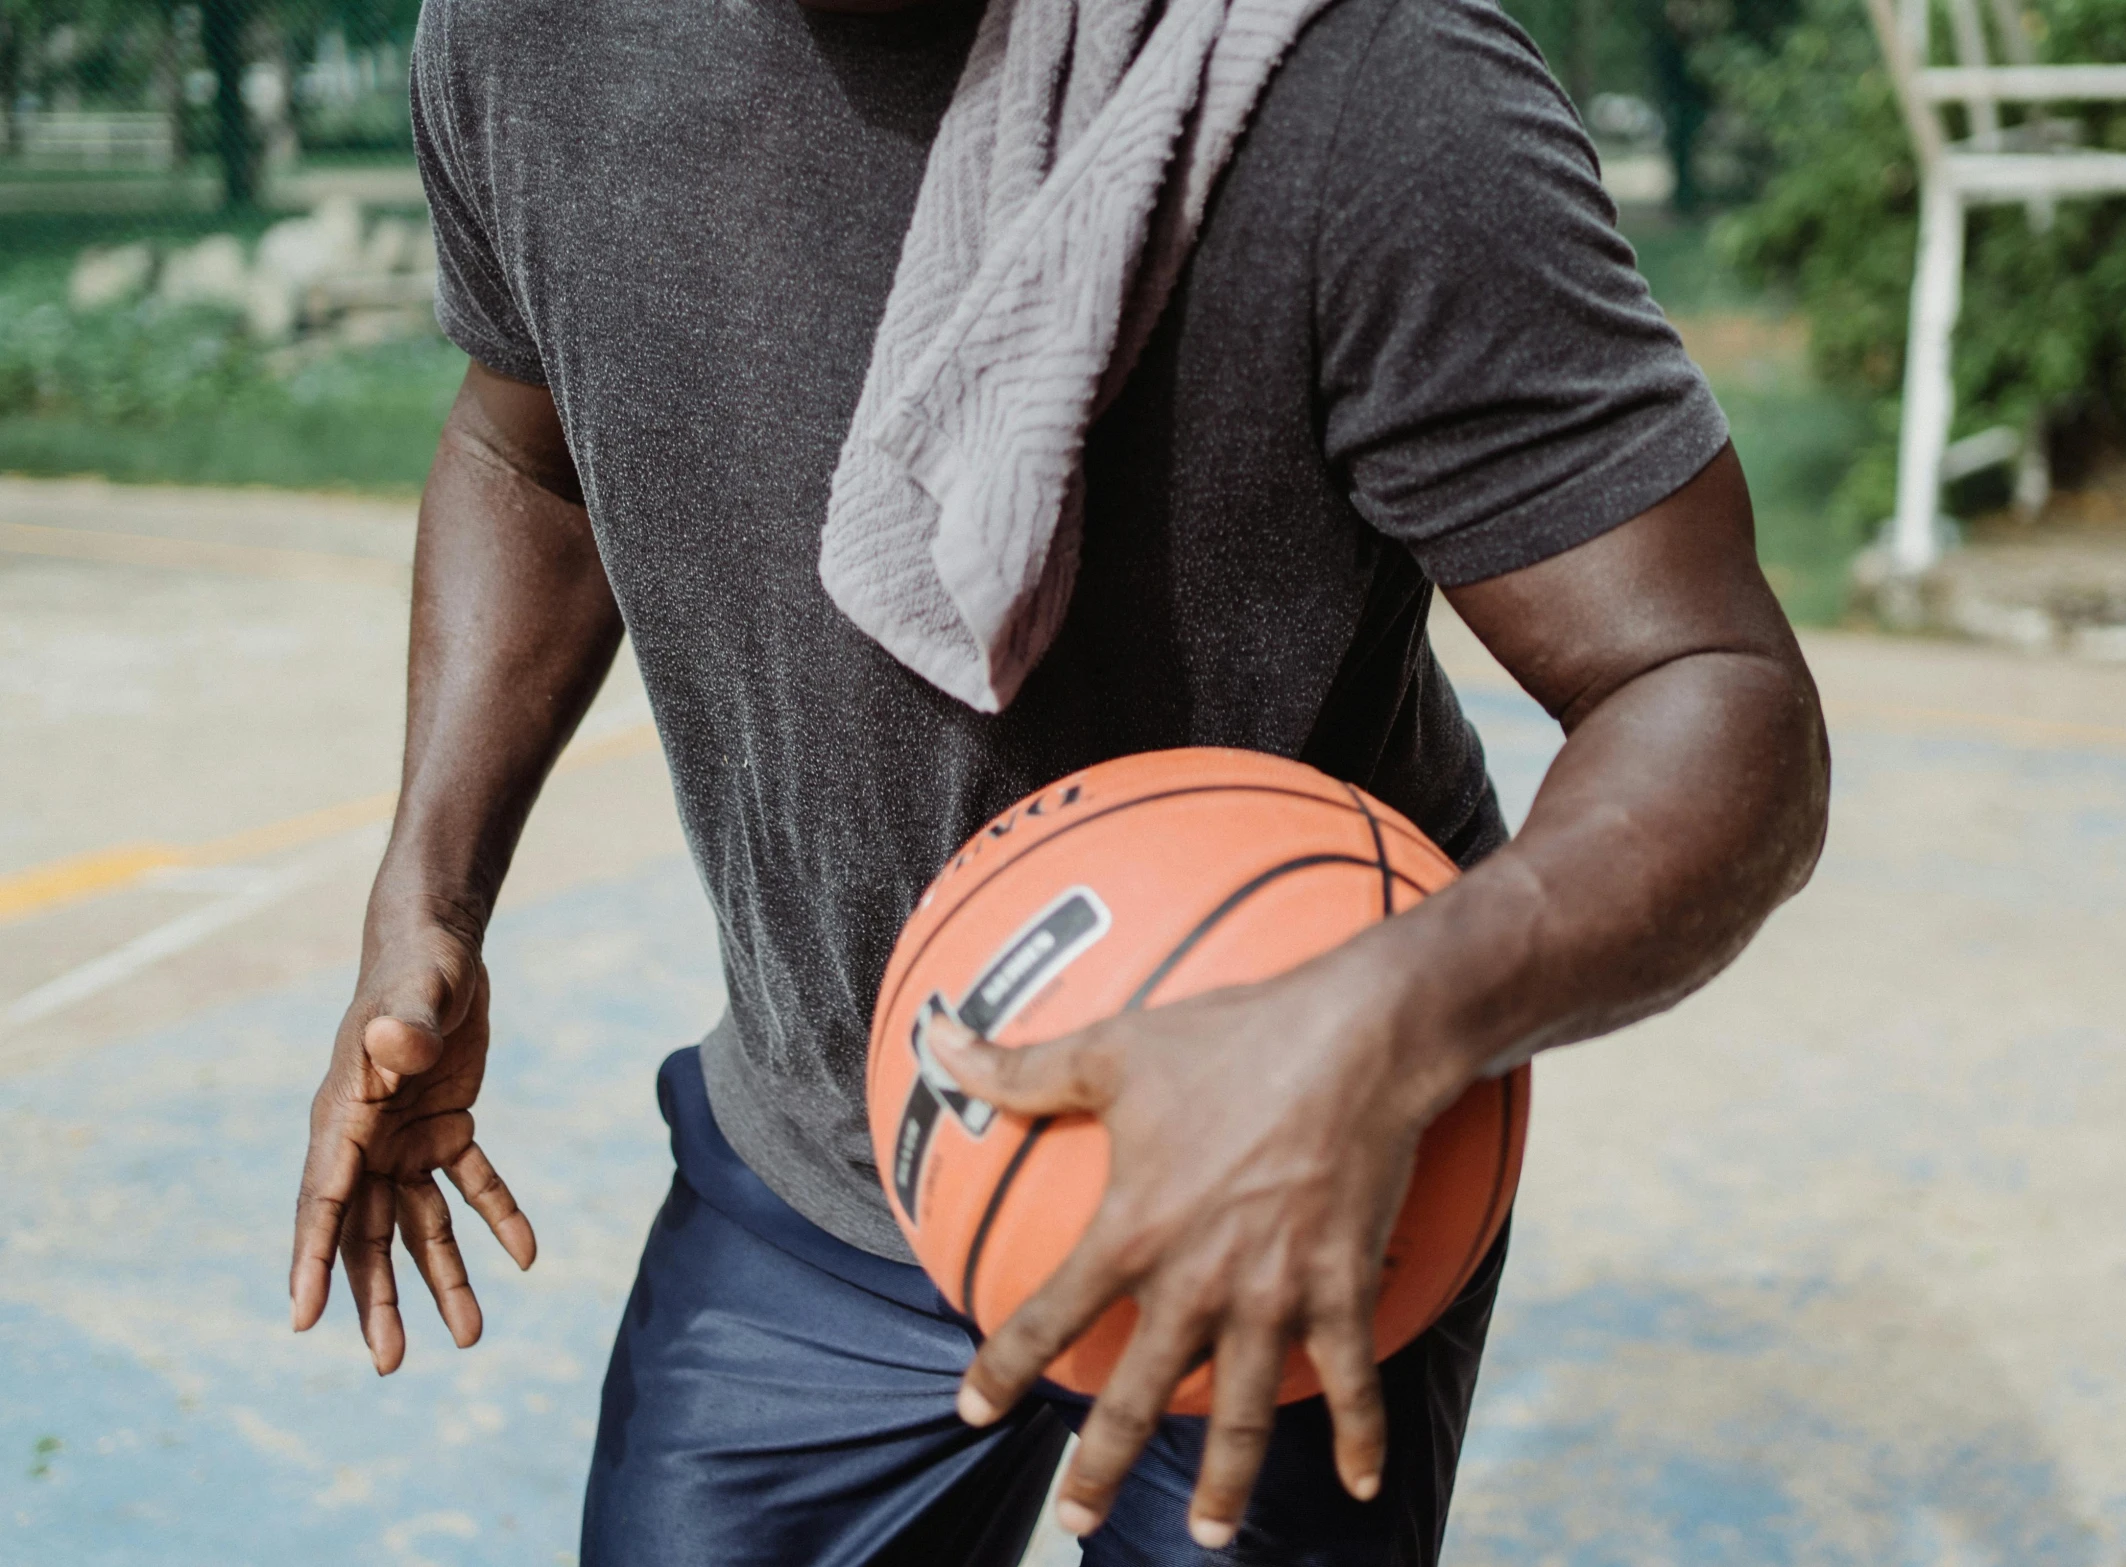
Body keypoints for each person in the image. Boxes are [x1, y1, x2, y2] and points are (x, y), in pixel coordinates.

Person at [287, 0, 1830, 1555]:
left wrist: (1388, 1016)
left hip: (1282, 1157)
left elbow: (1708, 687)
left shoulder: (1372, 85)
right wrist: (426, 885)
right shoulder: (529, 34)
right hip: (824, 1143)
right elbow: (523, 448)